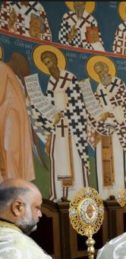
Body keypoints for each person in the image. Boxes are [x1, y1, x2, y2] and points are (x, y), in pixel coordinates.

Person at [27, 46, 90, 201]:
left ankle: (78, 193)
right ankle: (60, 194)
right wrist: (33, 102)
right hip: (58, 128)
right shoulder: (51, 83)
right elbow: (49, 104)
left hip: (72, 127)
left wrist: (66, 113)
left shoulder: (69, 77)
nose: (49, 65)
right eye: (45, 63)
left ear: (56, 60)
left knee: (74, 157)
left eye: (49, 61)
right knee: (58, 156)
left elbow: (78, 103)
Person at [86, 56, 126, 199]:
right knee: (102, 160)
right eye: (98, 73)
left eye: (102, 71)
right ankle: (104, 195)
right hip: (103, 129)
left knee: (117, 159)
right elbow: (95, 110)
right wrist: (100, 117)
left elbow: (123, 106)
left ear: (107, 69)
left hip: (118, 130)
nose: (101, 74)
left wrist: (110, 114)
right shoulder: (99, 88)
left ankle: (120, 193)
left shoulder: (118, 84)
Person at [0, 58, 35, 181]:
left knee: (9, 147)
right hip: (6, 115)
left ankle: (13, 181)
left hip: (11, 114)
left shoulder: (1, 67)